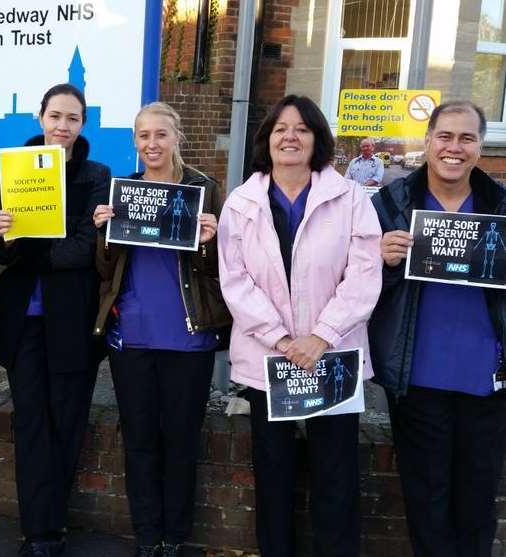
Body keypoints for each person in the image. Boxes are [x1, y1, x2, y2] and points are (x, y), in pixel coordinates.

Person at [217, 95, 382, 557]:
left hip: (332, 358)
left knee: (336, 475)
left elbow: (365, 272)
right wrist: (283, 339)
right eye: (280, 129)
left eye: (302, 129)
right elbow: (235, 279)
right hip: (268, 360)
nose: (290, 136)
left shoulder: (349, 196)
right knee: (273, 476)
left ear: (317, 140)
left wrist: (320, 337)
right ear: (266, 140)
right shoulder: (241, 202)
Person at [92, 101, 230, 557]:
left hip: (189, 336)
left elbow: (223, 270)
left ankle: (176, 535)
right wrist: (102, 234)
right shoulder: (123, 192)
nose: (152, 144)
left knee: (181, 440)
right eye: (143, 136)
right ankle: (147, 534)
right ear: (135, 141)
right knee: (140, 441)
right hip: (131, 336)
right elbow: (104, 269)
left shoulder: (205, 190)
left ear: (177, 138)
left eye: (161, 135)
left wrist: (211, 243)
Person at [369, 101, 506, 557]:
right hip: (416, 375)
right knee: (425, 498)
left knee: (476, 500)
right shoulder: (388, 203)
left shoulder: (501, 205)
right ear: (427, 140)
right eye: (445, 136)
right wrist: (380, 261)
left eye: (466, 138)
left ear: (480, 147)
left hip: (486, 379)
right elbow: (354, 286)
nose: (454, 147)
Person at [0, 83, 110, 557]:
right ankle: (39, 533)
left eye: (72, 118)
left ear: (82, 124)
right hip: (22, 320)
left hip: (72, 319)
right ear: (40, 118)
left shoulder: (97, 174)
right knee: (31, 424)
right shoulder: (14, 168)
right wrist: (8, 239)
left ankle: (53, 526)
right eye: (55, 116)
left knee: (66, 424)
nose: (62, 126)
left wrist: (32, 252)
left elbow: (85, 248)